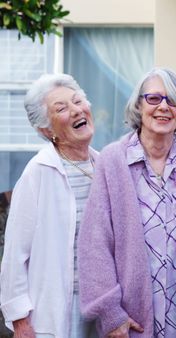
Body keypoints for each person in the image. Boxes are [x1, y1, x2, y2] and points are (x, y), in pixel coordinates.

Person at [78, 67, 176, 338]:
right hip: (131, 321)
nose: (164, 107)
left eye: (173, 100)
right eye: (154, 99)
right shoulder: (113, 160)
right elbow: (95, 242)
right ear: (138, 105)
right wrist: (110, 314)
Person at [0, 74, 98, 337]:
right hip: (54, 310)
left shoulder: (104, 166)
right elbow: (14, 254)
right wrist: (19, 319)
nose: (76, 110)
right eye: (62, 108)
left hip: (100, 305)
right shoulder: (38, 172)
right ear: (46, 129)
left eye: (78, 101)